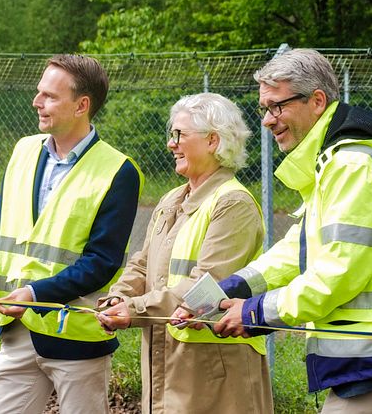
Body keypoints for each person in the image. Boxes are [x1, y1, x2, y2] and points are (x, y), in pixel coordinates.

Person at [200, 49, 372, 413]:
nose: (268, 120)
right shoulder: (338, 162)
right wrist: (231, 288)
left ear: (316, 101)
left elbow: (337, 274)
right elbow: (300, 249)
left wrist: (256, 312)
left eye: (276, 107)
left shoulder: (351, 166)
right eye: (264, 110)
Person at [0, 54, 142, 414]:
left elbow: (102, 262)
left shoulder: (119, 171)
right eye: (38, 93)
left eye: (49, 96)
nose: (37, 102)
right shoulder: (23, 151)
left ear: (82, 105)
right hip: (16, 333)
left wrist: (33, 293)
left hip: (76, 338)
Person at [96, 92, 274, 414]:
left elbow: (208, 285)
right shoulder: (171, 199)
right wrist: (117, 298)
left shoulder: (233, 203)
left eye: (179, 135)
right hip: (168, 361)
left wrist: (133, 308)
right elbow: (142, 263)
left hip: (215, 373)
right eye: (171, 135)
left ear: (212, 141)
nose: (171, 144)